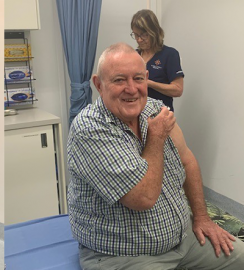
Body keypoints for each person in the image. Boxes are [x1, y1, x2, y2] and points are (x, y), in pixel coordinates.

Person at [67, 43, 244, 270]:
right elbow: (143, 198)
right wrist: (156, 137)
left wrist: (201, 217)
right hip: (124, 254)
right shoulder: (90, 128)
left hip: (184, 240)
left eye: (138, 79)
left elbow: (187, 159)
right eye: (119, 80)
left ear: (147, 78)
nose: (131, 89)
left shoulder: (155, 109)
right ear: (99, 85)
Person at [130, 9, 183, 111]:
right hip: (135, 114)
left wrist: (148, 83)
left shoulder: (169, 54)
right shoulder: (133, 55)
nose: (139, 39)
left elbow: (178, 90)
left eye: (144, 34)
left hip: (160, 115)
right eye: (136, 35)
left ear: (154, 32)